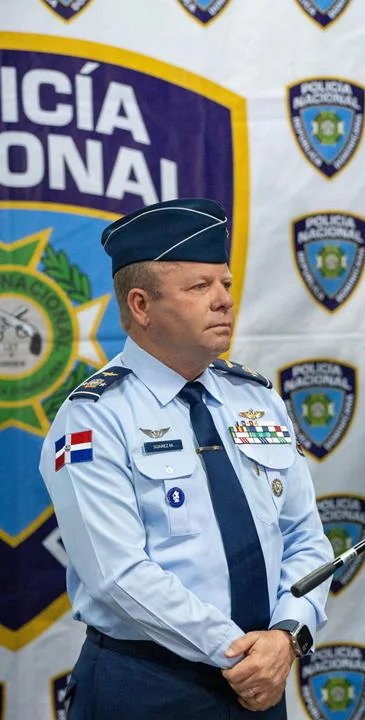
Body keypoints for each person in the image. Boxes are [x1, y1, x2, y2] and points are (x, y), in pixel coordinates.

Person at [40, 198, 333, 718]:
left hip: (262, 678)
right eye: (199, 287)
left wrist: (288, 633)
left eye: (225, 284)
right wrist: (241, 652)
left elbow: (305, 536)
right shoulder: (94, 417)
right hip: (149, 685)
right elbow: (118, 572)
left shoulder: (256, 398)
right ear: (140, 306)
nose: (222, 300)